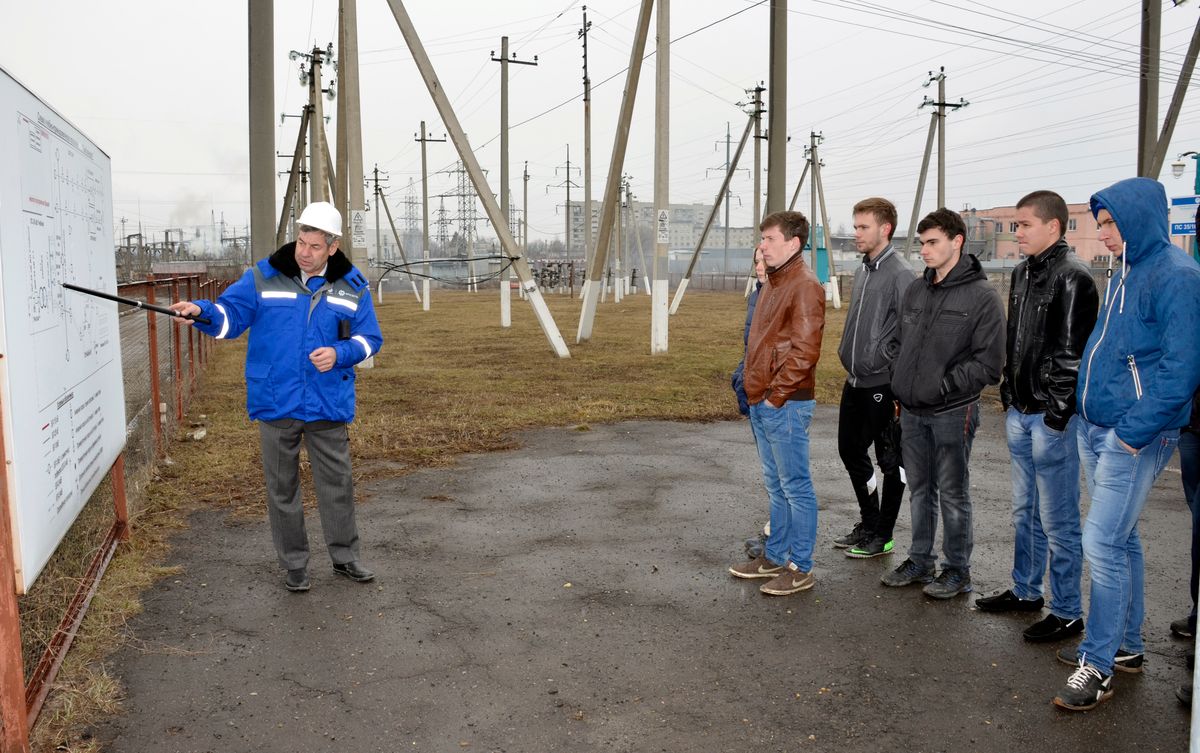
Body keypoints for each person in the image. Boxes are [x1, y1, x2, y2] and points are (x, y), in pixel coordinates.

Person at [169, 202, 383, 593]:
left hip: (326, 401)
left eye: (315, 246)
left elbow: (371, 340)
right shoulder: (263, 277)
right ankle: (295, 564)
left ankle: (345, 557)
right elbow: (229, 317)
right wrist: (199, 311)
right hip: (276, 398)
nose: (304, 251)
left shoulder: (353, 286)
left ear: (332, 248)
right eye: (301, 241)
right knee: (281, 487)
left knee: (337, 483)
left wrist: (341, 353)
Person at [1052, 177, 1200, 711]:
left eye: (1112, 222)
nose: (1105, 232)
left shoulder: (1178, 276)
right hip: (1098, 426)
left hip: (1134, 436)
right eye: (1101, 222)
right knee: (1121, 538)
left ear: (1140, 219)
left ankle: (1098, 663)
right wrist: (1084, 410)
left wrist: (1130, 436)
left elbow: (1182, 372)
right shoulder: (1127, 271)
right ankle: (1128, 646)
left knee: (1103, 544)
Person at [976, 191, 1098, 644]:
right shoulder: (1025, 273)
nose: (1018, 233)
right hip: (1021, 410)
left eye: (1025, 225)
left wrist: (1056, 415)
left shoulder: (1073, 278)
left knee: (1059, 516)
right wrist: (1009, 392)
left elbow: (1071, 355)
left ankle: (1067, 611)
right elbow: (1016, 338)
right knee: (1025, 510)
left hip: (1050, 419)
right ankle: (1027, 590)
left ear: (1054, 227)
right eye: (1017, 225)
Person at [880, 207, 1004, 599]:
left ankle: (957, 569)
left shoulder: (982, 296)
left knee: (952, 491)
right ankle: (920, 560)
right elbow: (900, 341)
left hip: (953, 410)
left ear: (957, 241)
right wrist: (902, 378)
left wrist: (943, 387)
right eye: (922, 243)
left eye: (933, 242)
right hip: (913, 410)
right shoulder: (918, 288)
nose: (925, 251)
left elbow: (989, 363)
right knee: (919, 488)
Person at [728, 211, 826, 596]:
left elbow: (805, 352)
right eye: (762, 239)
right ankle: (775, 556)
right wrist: (757, 395)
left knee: (796, 486)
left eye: (769, 239)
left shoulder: (804, 285)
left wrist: (775, 397)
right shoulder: (772, 282)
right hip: (763, 399)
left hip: (785, 404)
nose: (762, 246)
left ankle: (800, 567)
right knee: (777, 485)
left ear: (793, 243)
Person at [833, 197, 914, 558]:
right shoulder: (864, 270)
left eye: (863, 227)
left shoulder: (901, 273)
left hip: (883, 384)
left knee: (890, 460)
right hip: (855, 379)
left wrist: (886, 365)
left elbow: (909, 335)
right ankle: (869, 522)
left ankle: (883, 535)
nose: (856, 233)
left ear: (885, 229)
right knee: (850, 450)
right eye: (855, 226)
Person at [732, 249, 771, 560]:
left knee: (785, 474)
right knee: (771, 470)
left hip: (776, 396)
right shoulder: (758, 294)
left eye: (765, 259)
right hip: (755, 388)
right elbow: (752, 345)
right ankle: (775, 530)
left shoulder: (784, 293)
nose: (760, 267)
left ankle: (780, 540)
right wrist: (741, 375)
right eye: (756, 261)